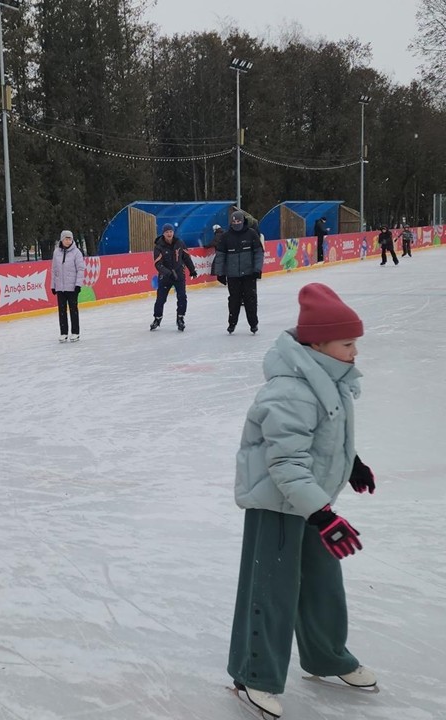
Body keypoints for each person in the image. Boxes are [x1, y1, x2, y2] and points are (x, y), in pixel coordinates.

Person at [227, 283, 378, 718]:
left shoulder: (330, 378)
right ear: (318, 344)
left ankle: (327, 656)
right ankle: (253, 676)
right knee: (272, 591)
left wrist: (351, 464)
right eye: (348, 343)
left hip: (310, 502)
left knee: (322, 583)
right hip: (276, 503)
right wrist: (324, 514)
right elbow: (286, 463)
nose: (355, 352)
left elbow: (324, 440)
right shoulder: (290, 390)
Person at [214, 210, 265, 334]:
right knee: (234, 300)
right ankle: (232, 323)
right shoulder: (226, 237)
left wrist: (257, 269)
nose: (236, 224)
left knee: (250, 300)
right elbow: (220, 256)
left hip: (249, 274)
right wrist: (220, 273)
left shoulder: (251, 234)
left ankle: (253, 323)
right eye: (234, 221)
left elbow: (258, 253)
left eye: (238, 221)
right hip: (233, 275)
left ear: (243, 221)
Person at [149, 223, 197, 332]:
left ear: (173, 232)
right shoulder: (159, 246)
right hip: (165, 277)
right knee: (160, 299)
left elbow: (186, 257)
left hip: (179, 275)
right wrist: (167, 273)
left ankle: (180, 318)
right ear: (163, 233)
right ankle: (157, 318)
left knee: (182, 297)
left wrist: (192, 270)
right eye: (167, 232)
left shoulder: (179, 243)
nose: (169, 234)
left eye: (170, 231)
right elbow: (158, 264)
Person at [50, 230, 85, 342]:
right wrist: (53, 285)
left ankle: (75, 332)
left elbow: (80, 269)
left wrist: (78, 285)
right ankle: (63, 333)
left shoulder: (76, 253)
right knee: (62, 310)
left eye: (70, 238)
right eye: (66, 238)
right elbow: (54, 270)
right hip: (60, 287)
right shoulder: (56, 252)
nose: (68, 240)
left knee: (73, 309)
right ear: (62, 239)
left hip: (72, 287)